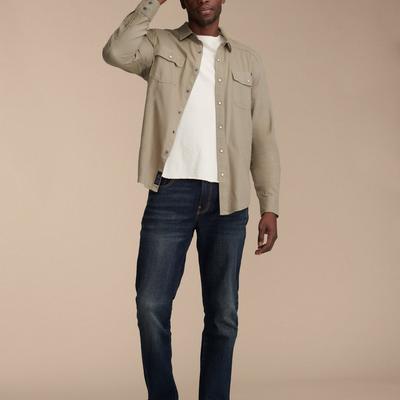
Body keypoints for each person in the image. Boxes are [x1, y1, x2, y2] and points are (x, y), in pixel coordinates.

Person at [102, 0, 281, 398]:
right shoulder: (159, 45)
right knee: (150, 306)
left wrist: (269, 204)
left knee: (223, 315)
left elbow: (263, 135)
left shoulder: (248, 61)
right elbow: (116, 52)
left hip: (228, 200)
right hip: (171, 193)